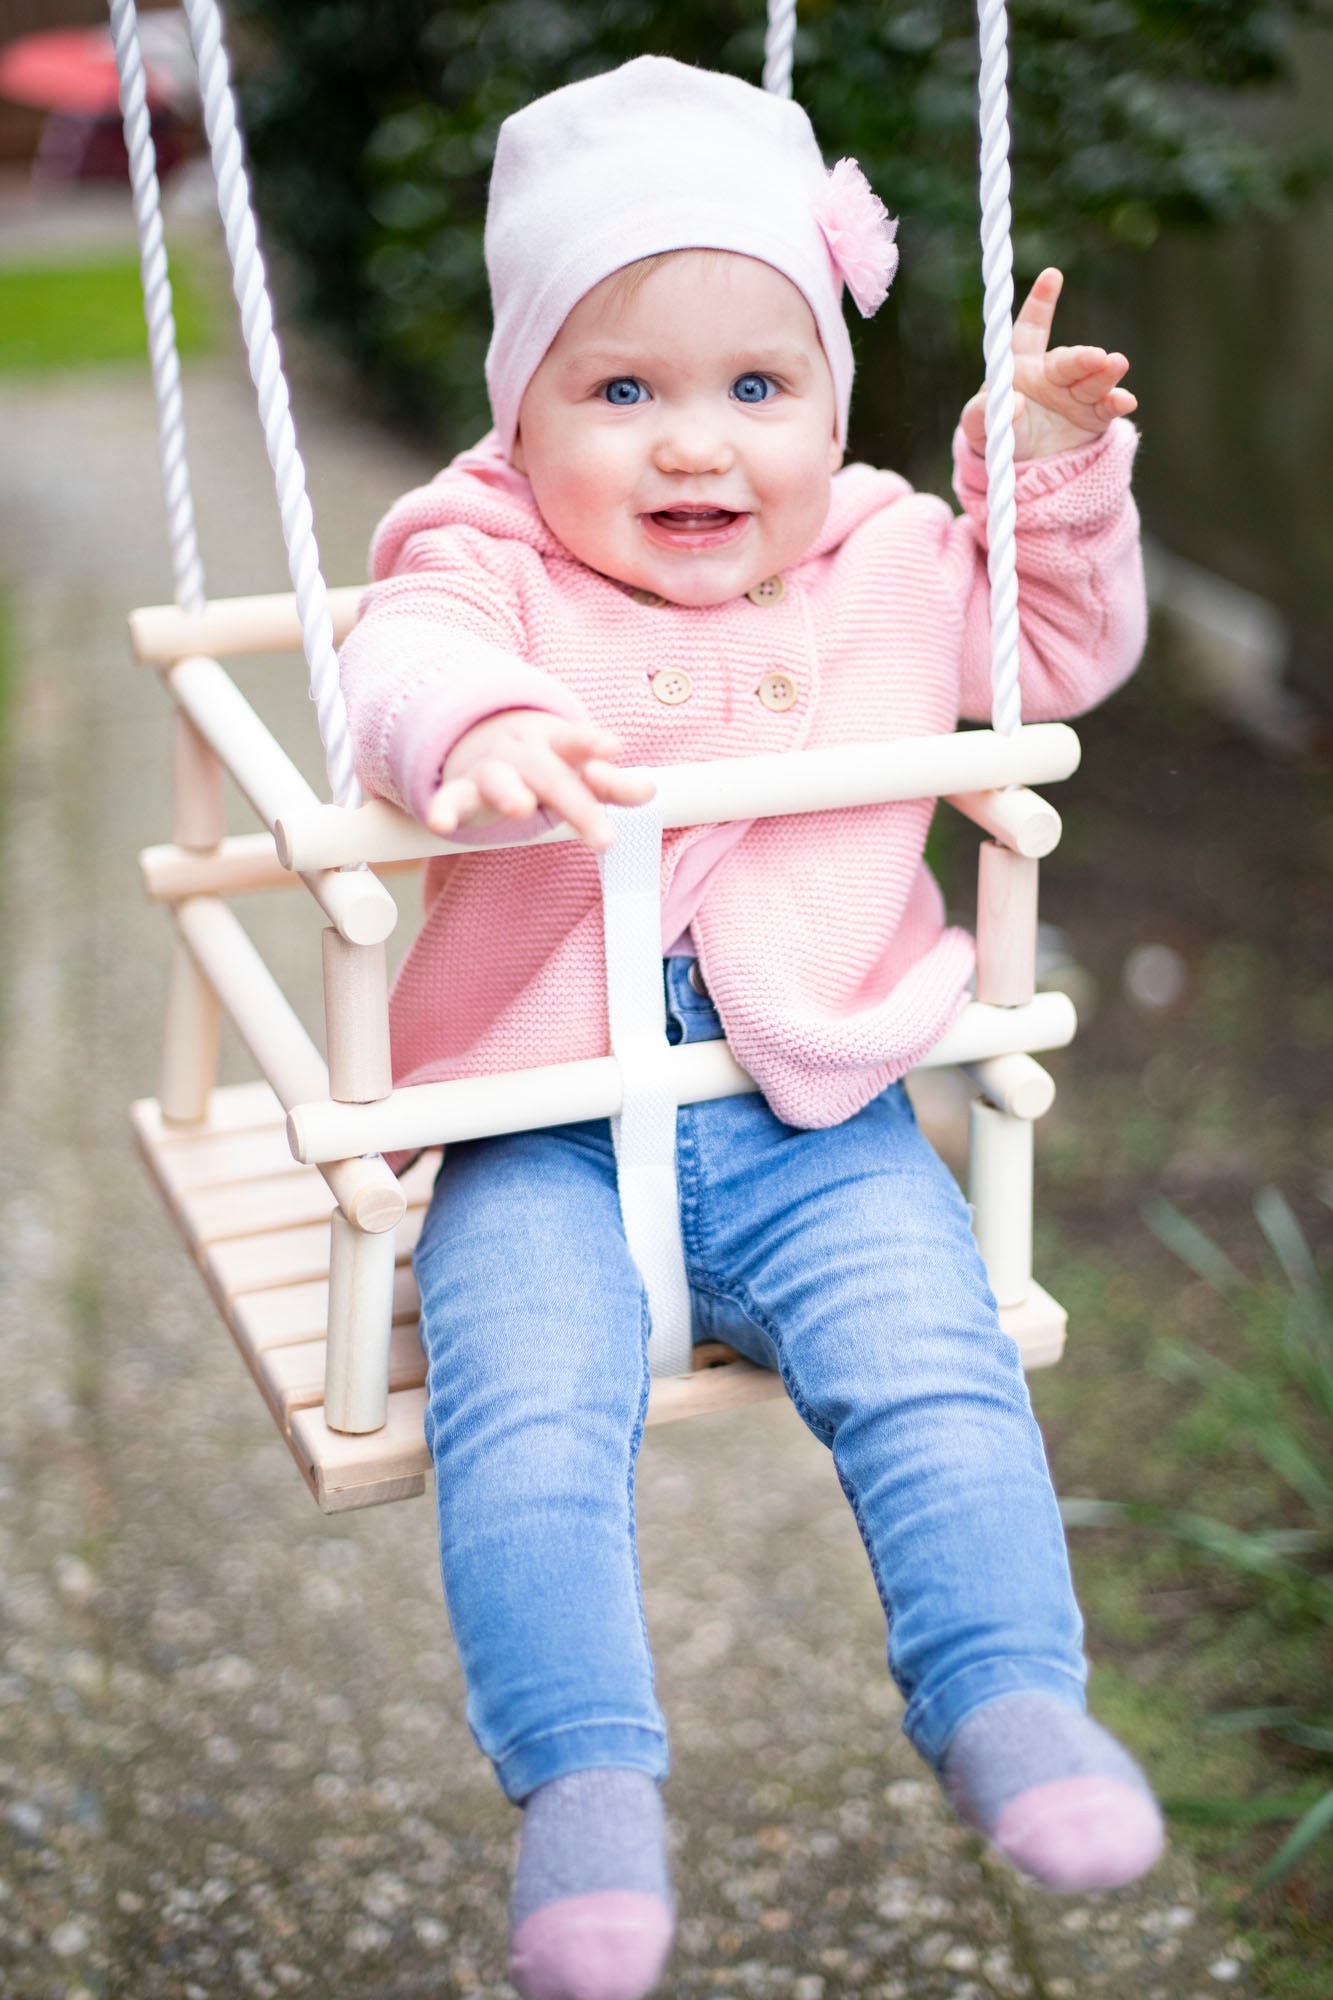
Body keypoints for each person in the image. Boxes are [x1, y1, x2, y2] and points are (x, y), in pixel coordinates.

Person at [339, 56, 1163, 2000]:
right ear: (517, 413)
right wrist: (476, 722)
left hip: (816, 1106)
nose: (694, 448)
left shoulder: (884, 551)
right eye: (618, 392)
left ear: (832, 407)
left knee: (935, 1363)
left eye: (753, 387)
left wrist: (1035, 475)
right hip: (536, 1111)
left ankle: (1005, 1697)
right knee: (527, 1426)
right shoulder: (489, 554)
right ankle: (586, 1790)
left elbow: (1047, 654)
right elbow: (401, 646)